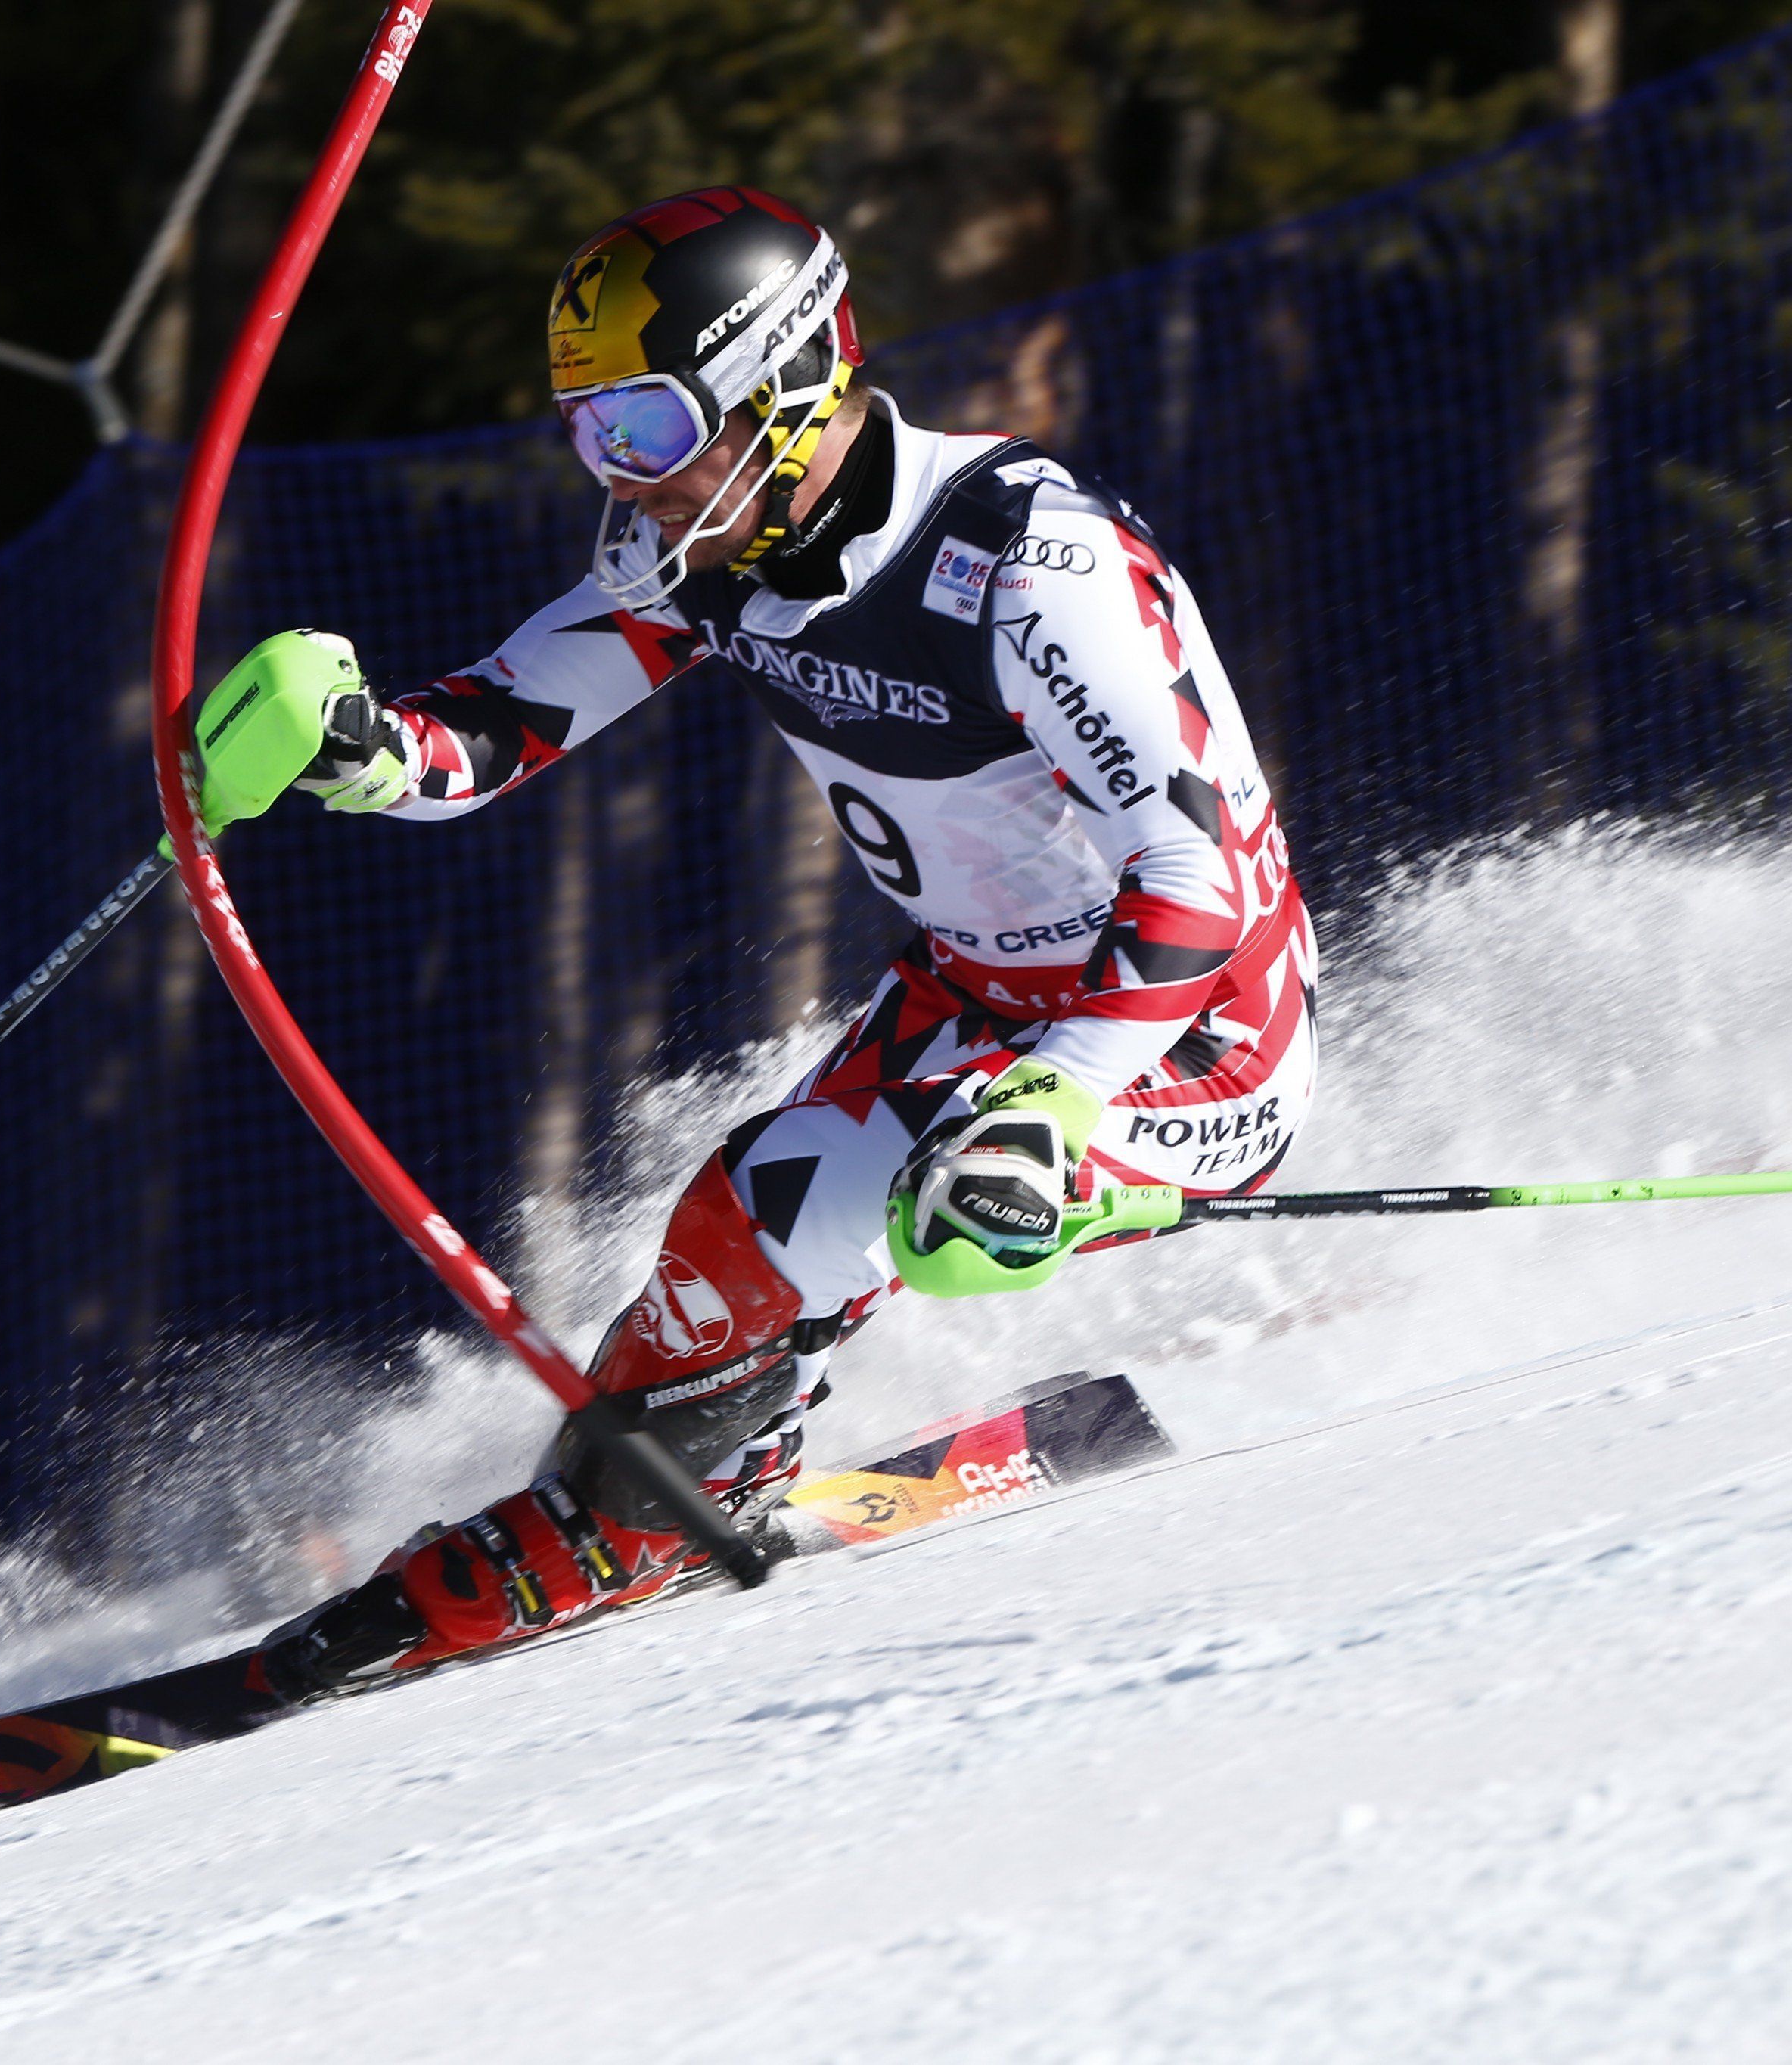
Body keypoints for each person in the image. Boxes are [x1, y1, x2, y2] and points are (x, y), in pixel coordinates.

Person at [255, 185, 1315, 1694]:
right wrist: (364, 750)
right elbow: (501, 724)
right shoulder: (711, 550)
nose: (628, 482)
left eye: (646, 429)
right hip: (968, 999)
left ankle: (640, 1526)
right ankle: (633, 1503)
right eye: (593, 437)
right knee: (720, 1238)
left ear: (786, 380)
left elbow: (1192, 882)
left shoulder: (1027, 563)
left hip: (1190, 1039)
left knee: (812, 1198)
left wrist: (1060, 1098)